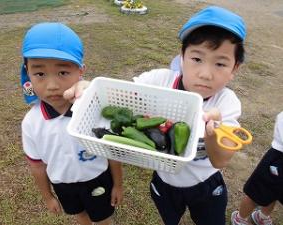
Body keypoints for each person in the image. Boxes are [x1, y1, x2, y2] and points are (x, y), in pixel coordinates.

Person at [65, 5, 247, 225]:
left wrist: (212, 132)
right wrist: (87, 86)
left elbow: (220, 161)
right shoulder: (160, 80)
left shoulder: (227, 103)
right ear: (182, 56)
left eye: (220, 63)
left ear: (234, 68)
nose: (205, 74)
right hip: (164, 181)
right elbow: (116, 93)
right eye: (197, 59)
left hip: (206, 184)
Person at [20, 22, 123, 225]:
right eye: (40, 74)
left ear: (80, 71)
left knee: (103, 218)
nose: (52, 86)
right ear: (28, 72)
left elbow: (111, 150)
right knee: (81, 216)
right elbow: (37, 166)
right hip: (63, 185)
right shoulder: (31, 123)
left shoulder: (95, 109)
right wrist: (48, 196)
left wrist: (118, 185)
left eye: (63, 73)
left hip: (97, 178)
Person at [231, 112, 283, 225]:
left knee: (277, 192)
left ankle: (262, 216)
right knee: (256, 192)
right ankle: (240, 218)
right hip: (278, 159)